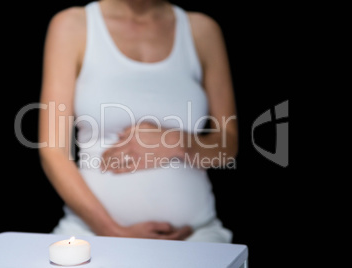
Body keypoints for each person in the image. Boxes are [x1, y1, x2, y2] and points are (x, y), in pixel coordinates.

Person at [38, 0, 237, 243]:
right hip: (90, 235)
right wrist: (113, 231)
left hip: (196, 236)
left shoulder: (201, 30)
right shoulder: (72, 25)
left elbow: (228, 144)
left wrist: (177, 141)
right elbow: (53, 150)